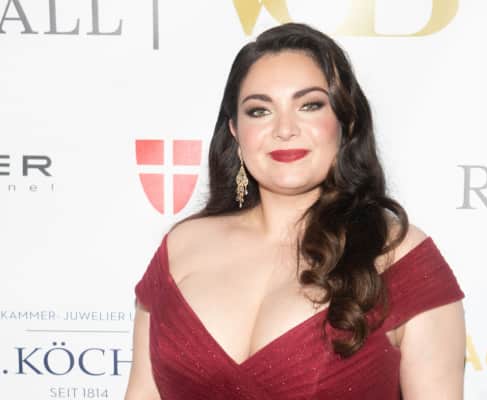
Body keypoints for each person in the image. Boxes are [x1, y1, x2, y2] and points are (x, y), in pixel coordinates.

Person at [125, 22, 466, 400]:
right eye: (259, 111)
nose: (284, 129)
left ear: (346, 121)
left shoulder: (399, 257)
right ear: (235, 131)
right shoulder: (181, 248)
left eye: (309, 105)